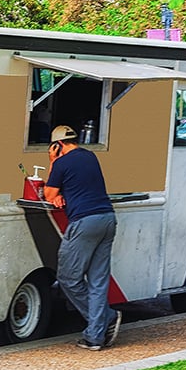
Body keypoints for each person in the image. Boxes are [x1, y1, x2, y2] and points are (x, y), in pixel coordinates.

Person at [43, 125, 122, 351]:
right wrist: (62, 194)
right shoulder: (90, 156)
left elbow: (48, 193)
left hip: (84, 222)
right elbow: (78, 185)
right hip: (107, 219)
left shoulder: (61, 163)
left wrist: (52, 162)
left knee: (68, 278)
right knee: (98, 281)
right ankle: (94, 338)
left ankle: (105, 317)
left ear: (57, 145)